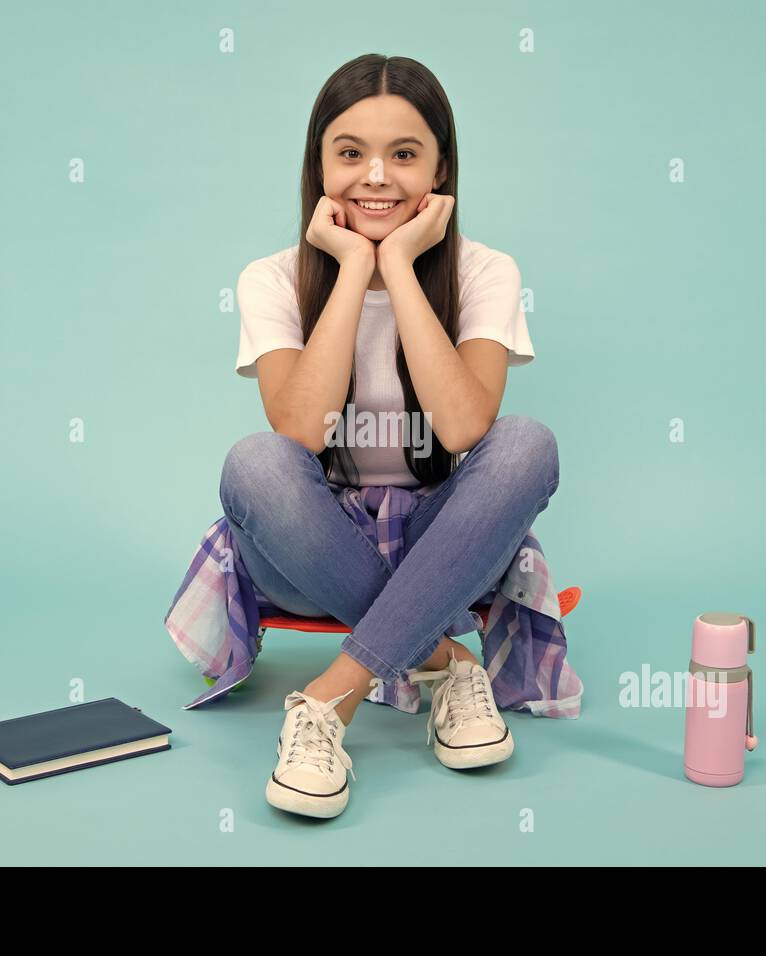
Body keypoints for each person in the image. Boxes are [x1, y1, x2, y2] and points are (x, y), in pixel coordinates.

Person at [224, 53, 559, 819]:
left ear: (442, 168)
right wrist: (350, 270)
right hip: (308, 550)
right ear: (319, 165)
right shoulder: (271, 279)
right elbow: (300, 429)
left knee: (527, 442)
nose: (376, 176)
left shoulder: (485, 271)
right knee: (256, 463)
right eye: (350, 154)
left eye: (404, 155)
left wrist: (401, 267)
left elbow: (467, 426)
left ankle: (328, 698)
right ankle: (447, 665)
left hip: (445, 548)